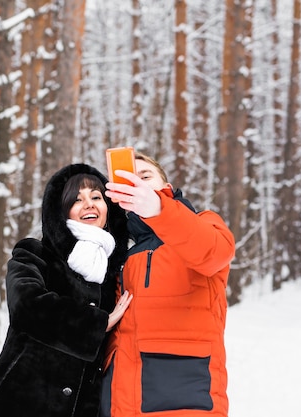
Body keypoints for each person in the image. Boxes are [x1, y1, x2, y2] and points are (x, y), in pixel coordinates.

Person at [0, 163, 133, 417]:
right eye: (77, 200)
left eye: (96, 197)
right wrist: (96, 323)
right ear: (61, 211)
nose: (89, 204)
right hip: (18, 402)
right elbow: (26, 305)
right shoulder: (35, 254)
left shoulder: (115, 272)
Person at [100, 153, 235, 417]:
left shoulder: (203, 224)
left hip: (182, 399)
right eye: (126, 180)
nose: (136, 183)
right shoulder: (121, 253)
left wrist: (158, 210)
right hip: (121, 401)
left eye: (145, 176)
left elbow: (215, 253)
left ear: (166, 186)